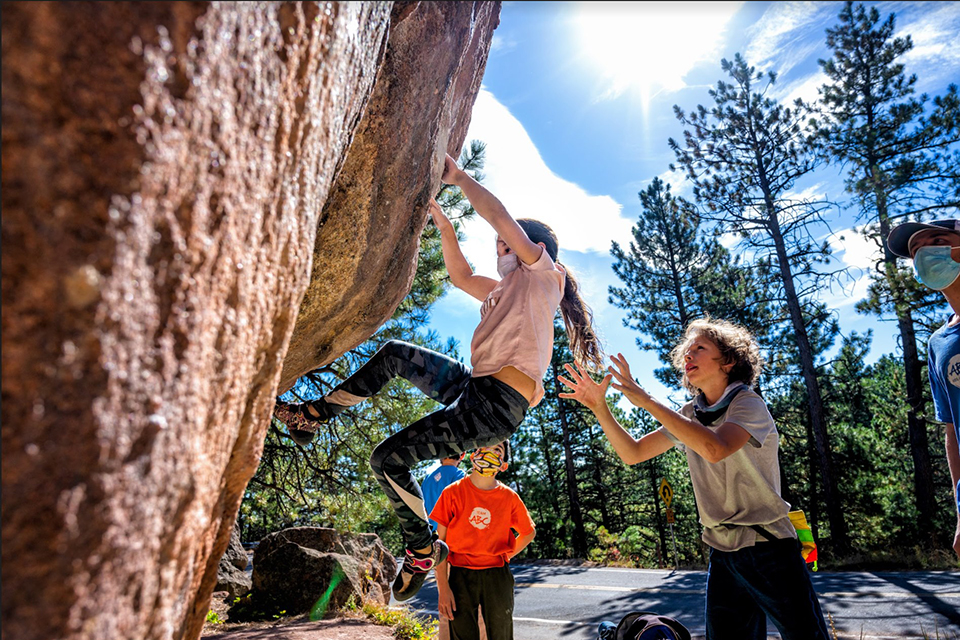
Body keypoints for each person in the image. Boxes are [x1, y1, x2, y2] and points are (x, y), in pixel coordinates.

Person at [272, 153, 603, 601]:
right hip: (475, 388)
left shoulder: (544, 276)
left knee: (387, 459)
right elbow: (462, 276)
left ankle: (421, 549)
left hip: (494, 407)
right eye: (499, 247)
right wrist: (445, 228)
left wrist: (461, 178)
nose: (500, 251)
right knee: (394, 355)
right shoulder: (505, 289)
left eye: (504, 246)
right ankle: (314, 415)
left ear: (530, 248)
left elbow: (500, 217)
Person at [558, 318, 829, 640]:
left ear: (729, 360)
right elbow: (632, 453)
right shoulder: (691, 413)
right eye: (686, 351)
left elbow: (716, 448)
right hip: (722, 550)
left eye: (699, 348)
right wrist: (600, 408)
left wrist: (646, 400)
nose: (688, 356)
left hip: (768, 545)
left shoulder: (747, 403)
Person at [887, 218, 960, 560]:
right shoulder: (938, 343)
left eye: (937, 240)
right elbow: (952, 430)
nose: (926, 254)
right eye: (916, 251)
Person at [431, 441, 535, 640]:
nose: (489, 452)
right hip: (460, 576)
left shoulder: (509, 497)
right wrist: (443, 588)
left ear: (503, 465)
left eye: (497, 450)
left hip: (497, 576)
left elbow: (528, 532)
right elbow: (439, 546)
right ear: (473, 455)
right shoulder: (451, 493)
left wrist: (506, 555)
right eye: (485, 447)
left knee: (501, 634)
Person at [423, 453, 467, 532]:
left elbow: (423, 511)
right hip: (450, 535)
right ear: (463, 455)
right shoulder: (460, 476)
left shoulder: (427, 478)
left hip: (432, 535)